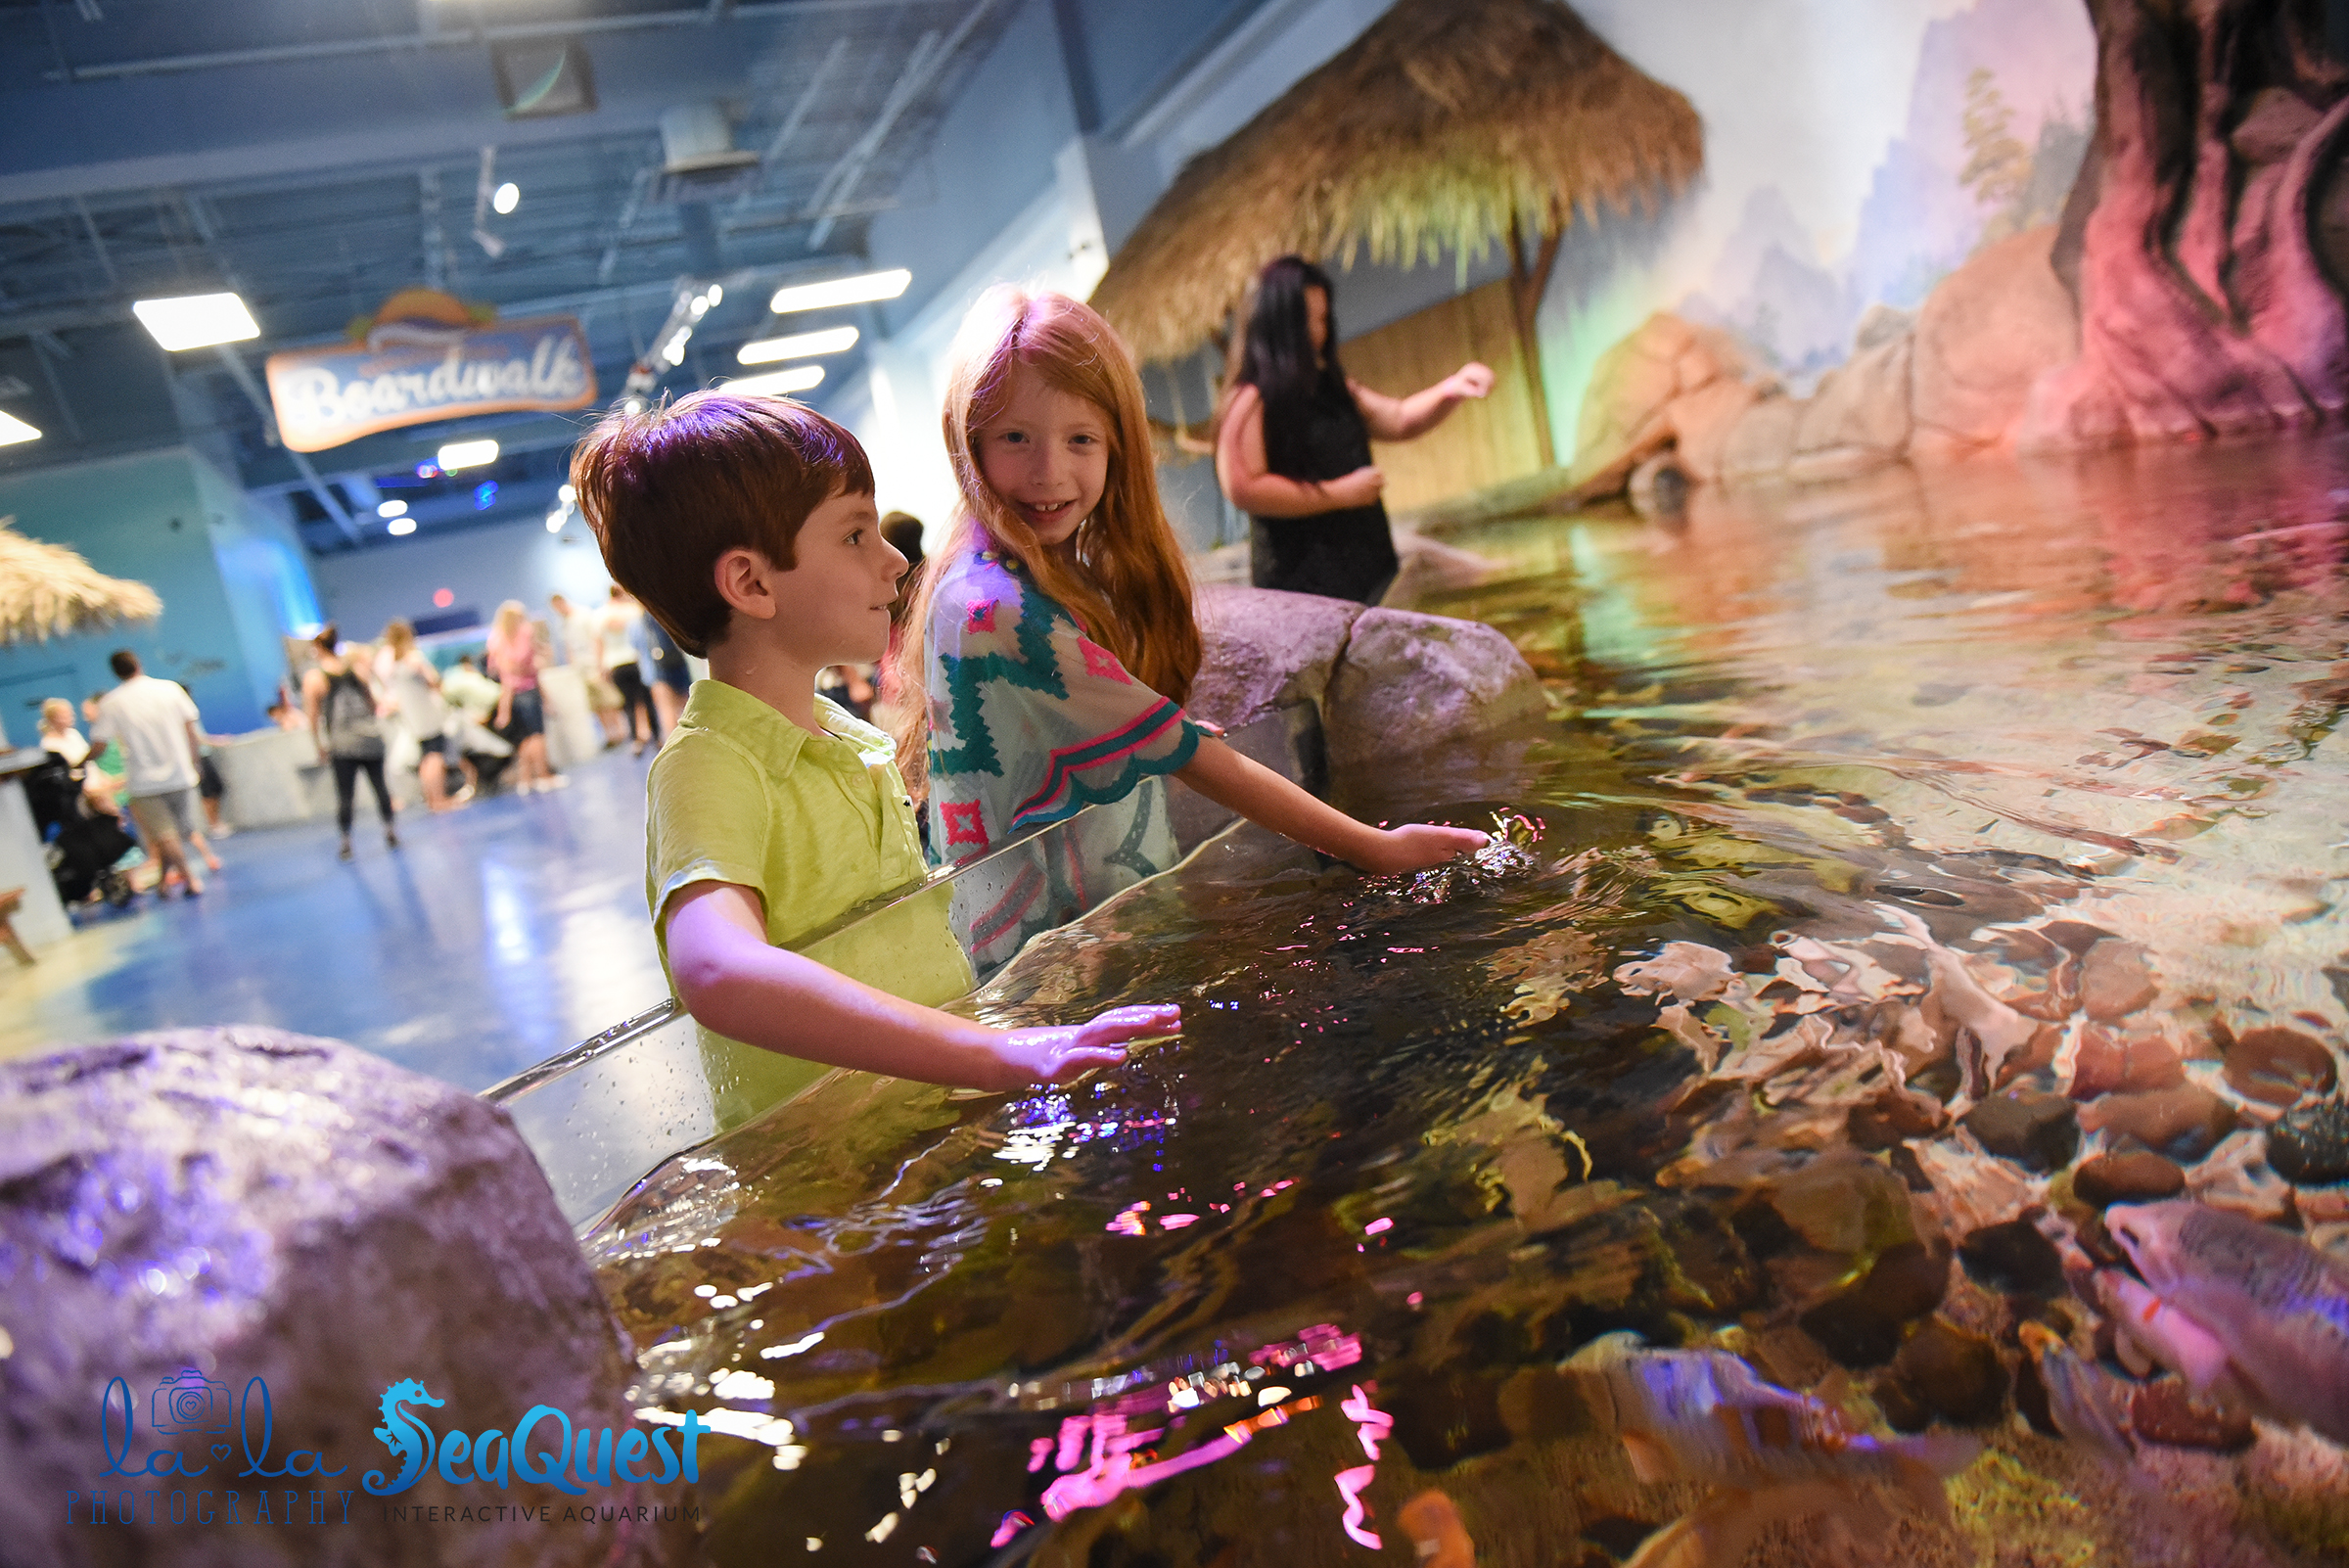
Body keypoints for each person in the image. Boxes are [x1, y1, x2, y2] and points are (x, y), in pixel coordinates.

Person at [569, 389, 1175, 1130]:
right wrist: (998, 1055)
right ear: (752, 583)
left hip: (929, 1119)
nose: (893, 562)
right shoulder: (710, 767)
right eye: (855, 535)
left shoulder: (846, 738)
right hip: (833, 1168)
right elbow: (716, 968)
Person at [889, 286, 1488, 971]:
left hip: (1060, 940)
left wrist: (1130, 736)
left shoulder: (987, 573)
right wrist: (1371, 847)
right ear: (969, 440)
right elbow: (1186, 754)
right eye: (1014, 438)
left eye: (1080, 438)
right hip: (1046, 965)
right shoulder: (994, 609)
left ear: (1116, 444)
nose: (1048, 471)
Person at [1215, 254, 1495, 604]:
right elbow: (1243, 486)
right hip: (1301, 592)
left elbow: (1398, 418)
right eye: (1308, 321)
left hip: (1370, 572)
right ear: (1278, 323)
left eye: (1322, 319)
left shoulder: (1332, 388)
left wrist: (1452, 389)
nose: (1319, 332)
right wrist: (1339, 493)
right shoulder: (1250, 400)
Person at [86, 651, 210, 897]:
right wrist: (195, 762)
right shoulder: (170, 690)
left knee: (165, 835)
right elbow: (191, 729)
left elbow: (99, 744)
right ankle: (170, 881)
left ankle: (189, 879)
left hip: (143, 782)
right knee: (174, 833)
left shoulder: (113, 702)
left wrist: (82, 762)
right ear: (138, 664)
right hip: (180, 774)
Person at [300, 624, 398, 860]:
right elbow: (372, 704)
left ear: (317, 648)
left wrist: (319, 745)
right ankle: (390, 830)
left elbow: (312, 717)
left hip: (342, 744)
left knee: (345, 795)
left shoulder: (315, 678)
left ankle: (346, 841)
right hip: (370, 738)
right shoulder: (356, 670)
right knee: (381, 787)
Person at [377, 618, 473, 810]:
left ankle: (431, 799)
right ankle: (439, 799)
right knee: (435, 756)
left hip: (413, 719)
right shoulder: (413, 659)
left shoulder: (391, 665)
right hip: (427, 716)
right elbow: (434, 680)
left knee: (426, 758)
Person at [485, 600, 564, 794]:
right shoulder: (524, 633)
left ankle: (526, 780)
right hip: (527, 690)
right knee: (537, 735)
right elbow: (527, 666)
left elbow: (499, 671)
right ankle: (544, 776)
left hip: (510, 695)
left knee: (525, 739)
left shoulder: (496, 639)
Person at [552, 591, 625, 747]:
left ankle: (620, 731)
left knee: (608, 700)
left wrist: (600, 664)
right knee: (595, 704)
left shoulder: (583, 614)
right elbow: (568, 647)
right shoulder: (563, 624)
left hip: (593, 664)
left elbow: (597, 638)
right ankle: (609, 735)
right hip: (580, 669)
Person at [601, 585, 660, 755]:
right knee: (647, 701)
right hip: (636, 660)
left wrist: (602, 667)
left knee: (629, 704)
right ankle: (656, 736)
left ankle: (636, 739)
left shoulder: (602, 614)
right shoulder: (633, 610)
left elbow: (599, 642)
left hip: (616, 664)